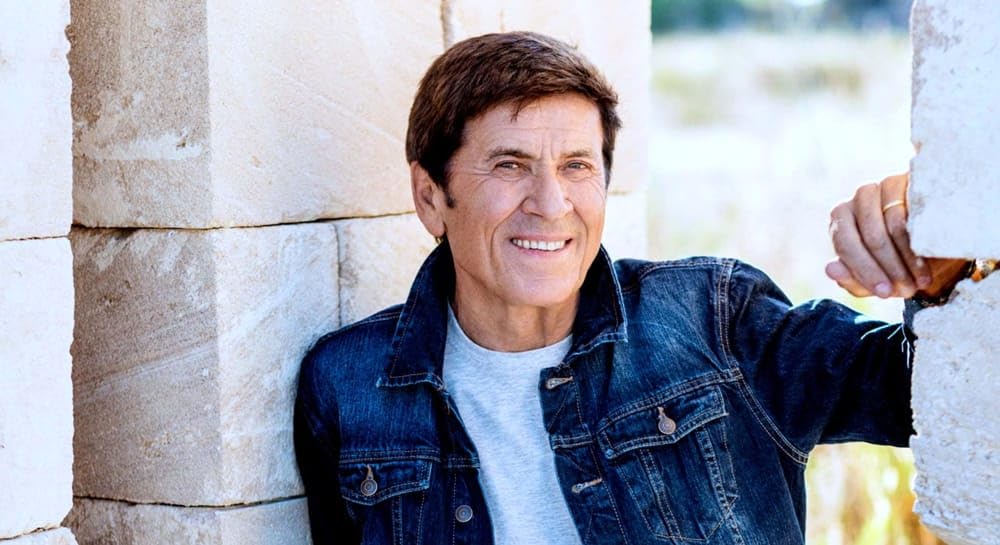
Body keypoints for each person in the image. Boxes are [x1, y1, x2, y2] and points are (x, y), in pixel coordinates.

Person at [294, 31, 969, 545]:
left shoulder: (714, 319)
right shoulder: (347, 385)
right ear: (430, 197)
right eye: (510, 165)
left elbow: (929, 393)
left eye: (576, 166)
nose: (551, 203)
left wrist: (948, 271)